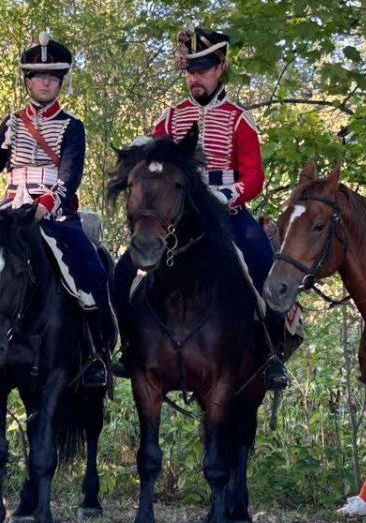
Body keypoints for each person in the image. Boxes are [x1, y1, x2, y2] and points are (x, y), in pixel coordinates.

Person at [112, 26, 289, 390]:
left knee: (261, 261)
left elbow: (254, 176)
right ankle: (128, 347)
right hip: (178, 217)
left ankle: (272, 355)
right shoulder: (170, 118)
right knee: (121, 272)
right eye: (191, 70)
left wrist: (229, 197)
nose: (196, 77)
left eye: (204, 69)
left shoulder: (239, 119)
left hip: (227, 209)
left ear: (220, 67)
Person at [0, 33, 114, 388]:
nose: (45, 81)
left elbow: (70, 175)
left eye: (52, 76)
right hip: (9, 212)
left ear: (60, 82)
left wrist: (46, 205)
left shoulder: (72, 126)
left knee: (92, 272)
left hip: (54, 215)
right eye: (38, 75)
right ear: (27, 81)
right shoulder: (11, 123)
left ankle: (99, 356)